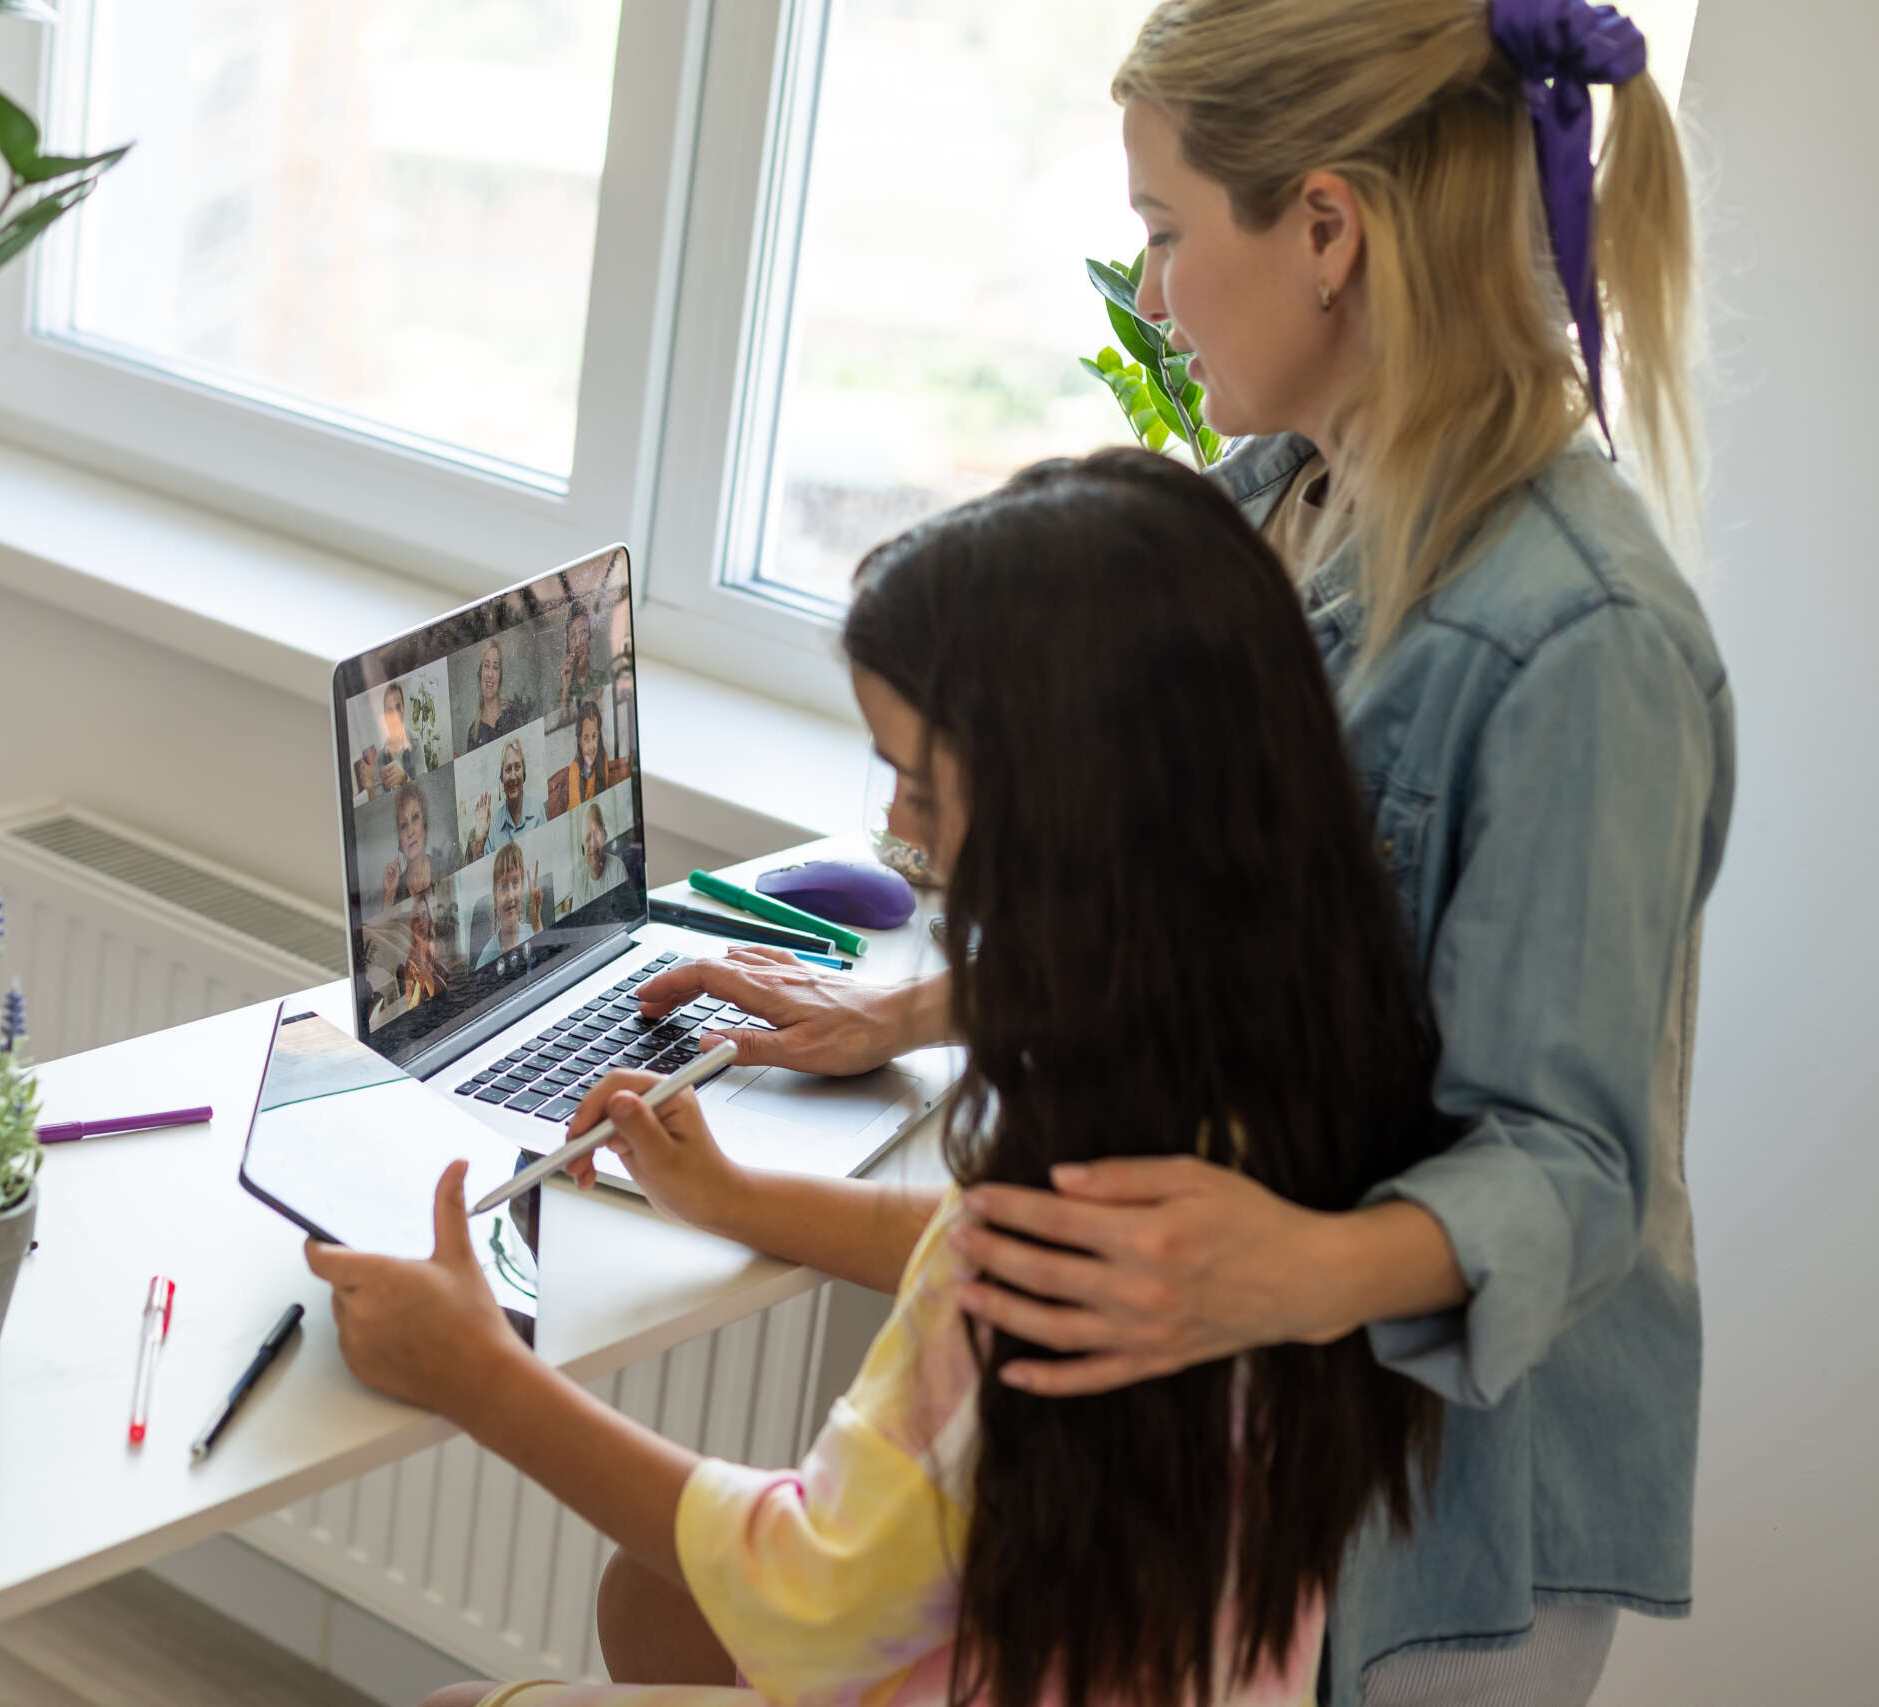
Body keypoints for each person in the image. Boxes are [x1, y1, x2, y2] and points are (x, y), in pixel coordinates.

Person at [632, 5, 1733, 1702]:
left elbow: (1570, 1165)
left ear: (1323, 229)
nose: (1147, 290)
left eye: (1162, 231)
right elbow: (1227, 897)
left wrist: (1295, 1266)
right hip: (1242, 1431)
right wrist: (914, 1016)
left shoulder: (1582, 639)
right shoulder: (1272, 505)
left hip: (1430, 1519)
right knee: (670, 1610)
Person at [308, 455, 1457, 1707]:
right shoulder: (1291, 1089)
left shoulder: (1040, 1256)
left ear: (1064, 817)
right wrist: (737, 1201)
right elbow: (1007, 1243)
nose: (905, 829)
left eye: (923, 780)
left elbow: (814, 1595)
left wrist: (480, 1373)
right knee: (654, 1600)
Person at [365, 891, 452, 1031]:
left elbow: (444, 988)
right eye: (417, 918)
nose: (422, 922)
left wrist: (425, 975)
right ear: (411, 925)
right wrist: (419, 984)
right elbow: (411, 1005)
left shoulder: (437, 948)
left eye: (425, 915)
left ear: (430, 918)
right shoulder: (411, 961)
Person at [472, 839, 545, 973]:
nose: (510, 896)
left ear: (522, 887)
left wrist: (537, 925)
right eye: (503, 887)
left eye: (515, 883)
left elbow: (550, 968)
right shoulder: (486, 957)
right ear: (495, 896)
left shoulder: (534, 931)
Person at [547, 700, 626, 819]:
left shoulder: (602, 756)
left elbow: (605, 793)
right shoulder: (574, 770)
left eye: (594, 736)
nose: (591, 746)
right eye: (586, 738)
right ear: (579, 741)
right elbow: (577, 814)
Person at [376, 781, 444, 909]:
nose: (410, 832)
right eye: (404, 825)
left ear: (425, 825)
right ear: (399, 840)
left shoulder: (444, 867)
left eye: (415, 817)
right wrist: (389, 896)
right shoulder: (395, 889)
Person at [464, 637, 531, 755]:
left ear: (500, 676)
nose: (490, 674)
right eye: (486, 665)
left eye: (495, 667)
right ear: (480, 673)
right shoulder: (473, 732)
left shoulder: (514, 711)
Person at [355, 682, 421, 799]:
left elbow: (423, 790)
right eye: (390, 711)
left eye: (398, 707)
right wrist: (370, 790)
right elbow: (379, 805)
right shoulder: (379, 759)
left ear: (404, 708)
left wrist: (405, 779)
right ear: (385, 717)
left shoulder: (415, 743)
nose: (395, 715)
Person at [567, 802, 627, 916]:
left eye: (597, 834)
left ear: (604, 836)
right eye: (588, 837)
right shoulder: (580, 880)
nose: (593, 843)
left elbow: (625, 913)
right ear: (582, 846)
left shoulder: (617, 867)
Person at [486, 738, 544, 851]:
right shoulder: (493, 826)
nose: (513, 776)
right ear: (501, 778)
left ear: (524, 774)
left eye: (517, 767)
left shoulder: (538, 809)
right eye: (508, 770)